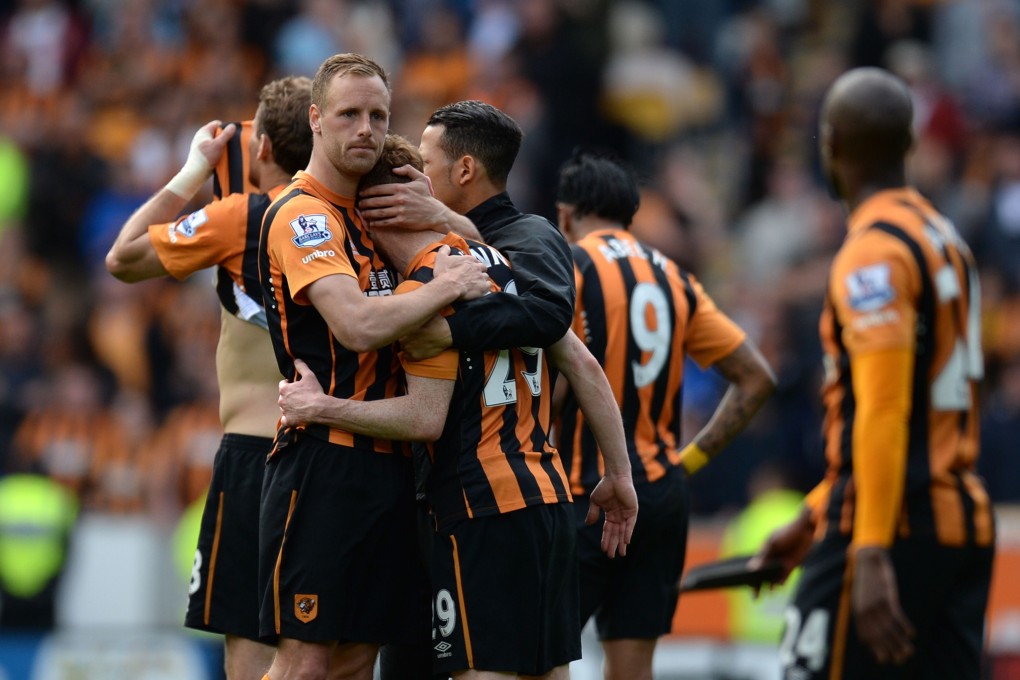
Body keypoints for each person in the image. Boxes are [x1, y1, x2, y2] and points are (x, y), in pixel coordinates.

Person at [278, 132, 638, 680]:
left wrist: (319, 407)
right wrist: (619, 473)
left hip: (479, 509)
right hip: (549, 499)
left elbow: (425, 418)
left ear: (373, 215)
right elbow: (585, 366)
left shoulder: (423, 291)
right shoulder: (502, 261)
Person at [753, 67, 994, 680]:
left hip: (889, 532)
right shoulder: (946, 240)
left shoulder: (874, 253)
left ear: (830, 143)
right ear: (910, 144)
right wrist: (811, 518)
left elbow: (886, 410)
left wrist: (870, 548)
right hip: (958, 525)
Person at [255, 54, 489, 680]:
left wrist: (445, 224)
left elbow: (489, 259)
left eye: (378, 116)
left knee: (358, 659)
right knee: (304, 662)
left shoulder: (374, 211)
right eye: (349, 114)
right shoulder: (305, 215)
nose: (365, 128)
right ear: (315, 120)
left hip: (389, 464)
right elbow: (355, 327)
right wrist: (445, 287)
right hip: (322, 461)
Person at [105, 75, 314, 680]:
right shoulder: (351, 220)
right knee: (331, 654)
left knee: (249, 656)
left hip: (256, 454)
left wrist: (194, 170)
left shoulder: (241, 216)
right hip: (339, 451)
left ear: (264, 149)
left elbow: (122, 257)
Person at [553, 151, 776, 680]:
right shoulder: (674, 277)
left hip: (587, 491)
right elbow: (757, 377)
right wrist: (687, 461)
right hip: (661, 496)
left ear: (566, 214)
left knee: (542, 657)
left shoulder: (570, 265)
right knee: (633, 666)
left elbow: (554, 383)